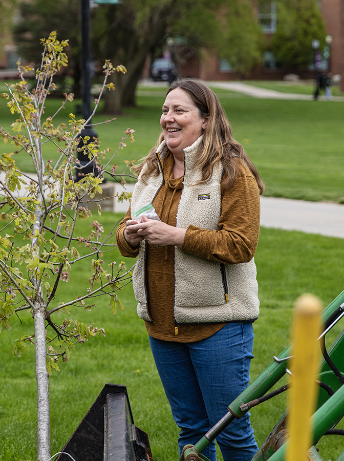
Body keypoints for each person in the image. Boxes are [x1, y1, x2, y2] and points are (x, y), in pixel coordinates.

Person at [116, 79, 265, 461]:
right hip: (162, 325)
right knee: (192, 436)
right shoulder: (153, 170)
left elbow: (241, 244)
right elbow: (123, 234)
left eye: (179, 111)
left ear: (206, 118)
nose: (168, 118)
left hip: (219, 325)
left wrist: (178, 236)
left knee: (230, 433)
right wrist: (130, 235)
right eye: (165, 110)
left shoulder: (231, 172)